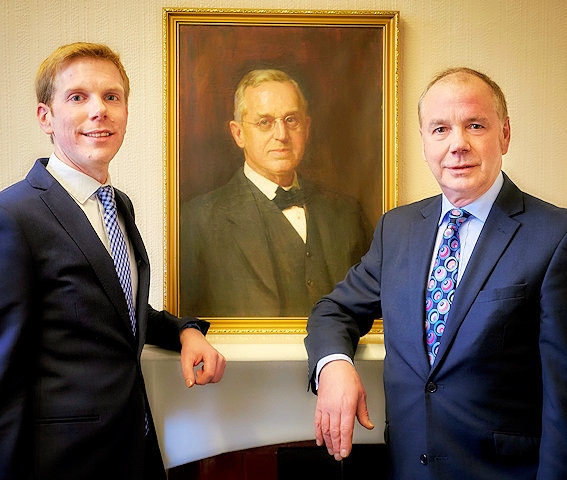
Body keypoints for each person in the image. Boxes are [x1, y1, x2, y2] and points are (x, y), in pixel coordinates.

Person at [304, 67, 567, 479]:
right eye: (440, 129)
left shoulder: (556, 235)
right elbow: (333, 309)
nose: (457, 144)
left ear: (505, 134)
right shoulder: (398, 228)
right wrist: (334, 364)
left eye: (475, 125)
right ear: (425, 142)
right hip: (409, 468)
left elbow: (564, 397)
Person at [0, 42, 226, 480]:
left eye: (111, 96)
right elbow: (4, 369)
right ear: (45, 117)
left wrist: (185, 331)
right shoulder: (14, 216)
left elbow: (118, 312)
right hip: (60, 462)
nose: (99, 110)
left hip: (133, 448)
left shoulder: (117, 204)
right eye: (77, 97)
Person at [179, 69, 373, 317]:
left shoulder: (347, 213)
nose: (281, 135)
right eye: (265, 122)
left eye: (291, 120)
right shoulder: (198, 221)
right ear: (238, 133)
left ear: (307, 127)